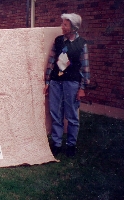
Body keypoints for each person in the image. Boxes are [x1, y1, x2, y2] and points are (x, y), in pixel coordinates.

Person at [43, 13, 90, 157]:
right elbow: (51, 61)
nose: (62, 27)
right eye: (62, 24)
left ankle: (71, 145)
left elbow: (85, 67)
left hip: (72, 83)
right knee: (56, 113)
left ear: (73, 27)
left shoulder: (81, 43)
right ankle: (56, 143)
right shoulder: (58, 41)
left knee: (72, 115)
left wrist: (82, 88)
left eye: (65, 24)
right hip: (56, 82)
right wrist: (47, 82)